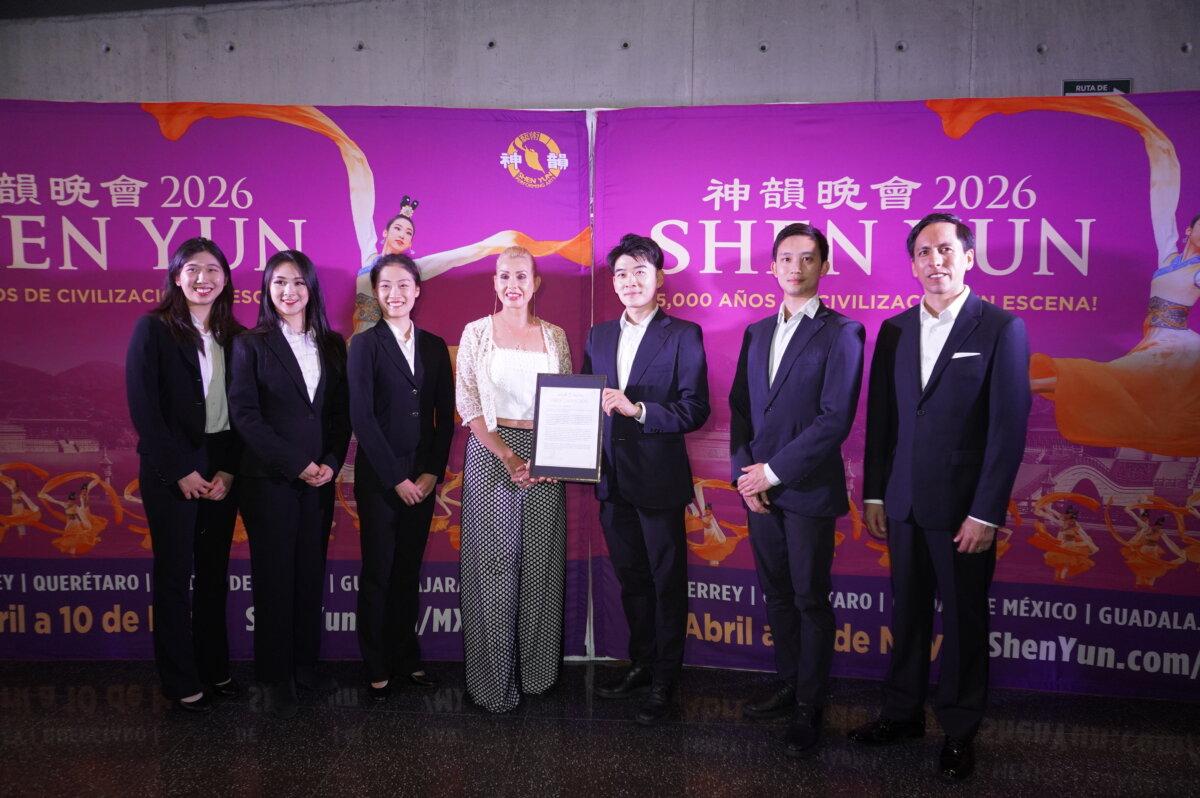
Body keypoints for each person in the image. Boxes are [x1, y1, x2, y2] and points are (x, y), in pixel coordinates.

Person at [852, 213, 1031, 781]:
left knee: (963, 619)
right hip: (902, 503)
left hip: (963, 511)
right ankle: (901, 714)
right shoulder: (895, 330)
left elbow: (1008, 430)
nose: (936, 261)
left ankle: (959, 728)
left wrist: (986, 512)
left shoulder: (1000, 328)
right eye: (924, 253)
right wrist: (875, 495)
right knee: (906, 614)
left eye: (946, 250)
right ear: (912, 265)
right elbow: (882, 421)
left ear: (969, 257)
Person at [729, 223, 864, 754]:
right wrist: (745, 475)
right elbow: (741, 409)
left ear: (824, 267)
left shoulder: (842, 332)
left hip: (806, 490)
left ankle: (810, 705)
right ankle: (788, 683)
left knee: (809, 598)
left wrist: (772, 472)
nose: (795, 267)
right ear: (772, 266)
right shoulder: (757, 332)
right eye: (786, 258)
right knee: (778, 595)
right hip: (758, 491)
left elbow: (835, 419)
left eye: (808, 258)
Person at [583, 233, 710, 725]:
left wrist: (638, 410)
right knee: (632, 578)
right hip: (612, 479)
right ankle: (640, 664)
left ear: (659, 279)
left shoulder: (683, 334)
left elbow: (695, 408)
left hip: (658, 481)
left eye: (640, 271)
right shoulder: (598, 336)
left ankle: (665, 679)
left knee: (666, 581)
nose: (629, 281)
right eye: (621, 273)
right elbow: (583, 404)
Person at [230, 249, 350, 719]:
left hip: (319, 481)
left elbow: (339, 415)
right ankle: (274, 675)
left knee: (308, 574)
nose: (289, 291)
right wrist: (297, 464)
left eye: (298, 282)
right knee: (275, 577)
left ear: (311, 288)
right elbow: (246, 417)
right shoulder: (250, 344)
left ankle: (306, 668)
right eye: (279, 282)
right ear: (267, 289)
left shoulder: (333, 345)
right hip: (270, 481)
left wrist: (331, 462)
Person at [125, 237, 243, 713]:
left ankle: (214, 667)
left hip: (221, 466)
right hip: (170, 467)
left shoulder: (237, 336)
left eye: (212, 270)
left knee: (213, 573)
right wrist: (179, 470)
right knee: (175, 575)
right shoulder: (153, 329)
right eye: (192, 269)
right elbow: (144, 408)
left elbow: (244, 411)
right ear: (177, 277)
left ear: (225, 279)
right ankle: (179, 678)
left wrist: (228, 470)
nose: (203, 279)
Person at [455, 246, 571, 713]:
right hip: (491, 453)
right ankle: (492, 683)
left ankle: (537, 676)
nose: (513, 284)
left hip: (546, 458)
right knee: (493, 566)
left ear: (536, 282)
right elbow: (469, 402)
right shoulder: (475, 332)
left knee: (541, 564)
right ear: (495, 282)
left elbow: (566, 402)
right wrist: (506, 455)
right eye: (504, 276)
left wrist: (551, 457)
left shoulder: (556, 336)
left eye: (522, 275)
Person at [349, 253, 454, 700]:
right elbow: (362, 418)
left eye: (403, 285)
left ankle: (407, 658)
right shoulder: (364, 345)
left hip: (423, 479)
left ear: (417, 290)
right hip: (381, 480)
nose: (395, 294)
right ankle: (376, 663)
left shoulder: (434, 345)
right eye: (386, 286)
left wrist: (430, 473)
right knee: (379, 570)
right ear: (376, 293)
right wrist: (397, 479)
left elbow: (444, 417)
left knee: (408, 571)